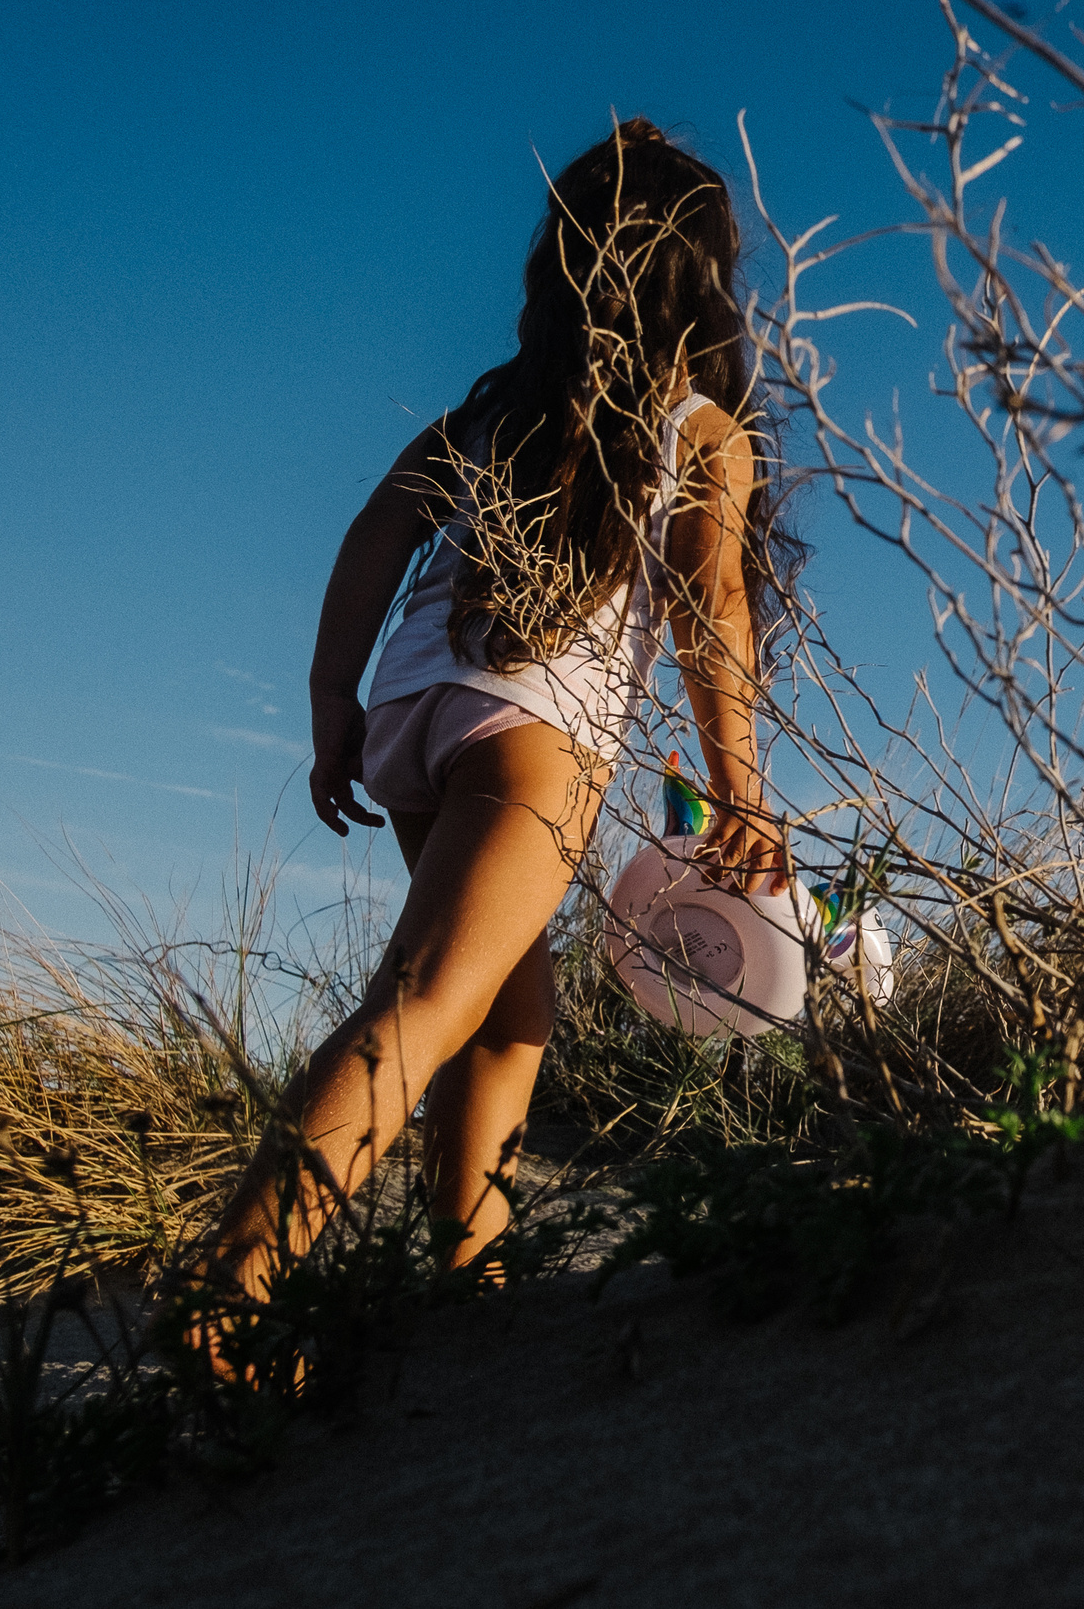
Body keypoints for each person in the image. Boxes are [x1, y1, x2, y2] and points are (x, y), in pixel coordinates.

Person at [199, 118, 794, 1305]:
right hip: (534, 735)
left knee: (511, 1015)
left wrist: (333, 704)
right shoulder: (698, 431)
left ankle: (469, 1271)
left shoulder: (496, 410)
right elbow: (711, 614)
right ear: (704, 285)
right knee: (424, 1003)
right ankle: (228, 1294)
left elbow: (376, 533)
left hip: (410, 712)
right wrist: (743, 789)